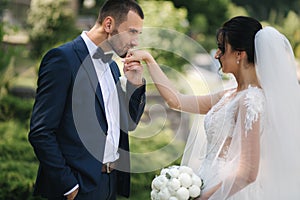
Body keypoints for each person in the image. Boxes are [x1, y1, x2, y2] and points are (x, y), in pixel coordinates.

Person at [125, 16, 300, 199]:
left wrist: (205, 197)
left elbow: (248, 172)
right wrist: (149, 60)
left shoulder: (251, 100)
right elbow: (176, 101)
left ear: (239, 54)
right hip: (207, 181)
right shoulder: (227, 95)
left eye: (222, 49)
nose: (217, 55)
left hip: (229, 192)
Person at [28, 0, 146, 199]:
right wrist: (69, 186)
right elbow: (41, 131)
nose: (135, 42)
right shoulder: (62, 59)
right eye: (132, 32)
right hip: (78, 187)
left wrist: (134, 86)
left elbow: (128, 124)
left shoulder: (113, 67)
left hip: (109, 184)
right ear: (108, 25)